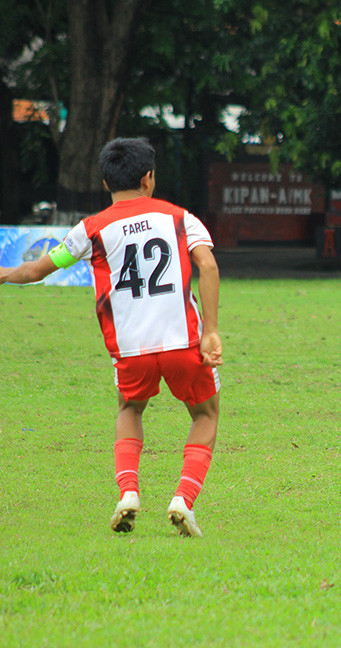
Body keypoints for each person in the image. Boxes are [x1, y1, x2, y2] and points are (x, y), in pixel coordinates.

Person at [0, 137, 222, 537]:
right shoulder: (181, 219)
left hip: (131, 348)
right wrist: (212, 331)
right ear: (149, 177)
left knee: (130, 409)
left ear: (105, 182)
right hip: (183, 341)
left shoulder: (91, 229)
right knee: (205, 414)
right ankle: (183, 500)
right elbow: (207, 265)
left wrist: (3, 274)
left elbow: (35, 270)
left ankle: (129, 493)